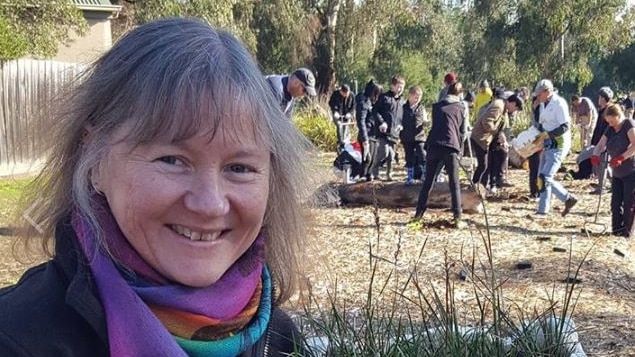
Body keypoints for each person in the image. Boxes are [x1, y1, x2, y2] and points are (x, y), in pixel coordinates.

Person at [0, 18, 308, 356]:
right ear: (95, 159)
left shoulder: (278, 339)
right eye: (172, 160)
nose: (210, 204)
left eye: (239, 168)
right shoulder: (17, 340)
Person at [414, 81, 467, 229]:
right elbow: (462, 132)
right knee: (454, 184)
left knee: (428, 182)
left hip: (434, 145)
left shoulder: (437, 107)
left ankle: (418, 215)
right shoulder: (461, 108)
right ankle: (458, 217)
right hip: (451, 146)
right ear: (460, 94)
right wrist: (460, 150)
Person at [532, 79, 578, 218]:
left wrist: (548, 134)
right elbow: (542, 124)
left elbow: (565, 126)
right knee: (541, 177)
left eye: (539, 94)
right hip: (547, 143)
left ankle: (565, 199)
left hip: (559, 143)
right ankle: (544, 208)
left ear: (547, 92)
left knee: (546, 177)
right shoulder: (541, 105)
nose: (537, 97)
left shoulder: (558, 103)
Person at [591, 104, 635, 238]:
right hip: (617, 173)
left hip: (631, 171)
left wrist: (622, 157)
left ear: (618, 116)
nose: (611, 124)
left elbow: (634, 145)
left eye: (612, 121)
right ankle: (616, 231)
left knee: (629, 203)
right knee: (615, 203)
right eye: (608, 122)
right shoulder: (610, 129)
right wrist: (595, 154)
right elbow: (600, 144)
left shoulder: (628, 124)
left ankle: (626, 232)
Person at [470, 93, 524, 194]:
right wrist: (497, 133)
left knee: (486, 164)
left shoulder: (504, 109)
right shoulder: (498, 105)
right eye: (515, 109)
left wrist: (501, 136)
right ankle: (475, 187)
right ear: (512, 103)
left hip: (487, 139)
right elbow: (487, 122)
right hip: (480, 138)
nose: (514, 111)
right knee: (483, 165)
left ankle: (480, 187)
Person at [371, 75, 405, 181]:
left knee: (391, 156)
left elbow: (401, 117)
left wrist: (401, 125)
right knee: (383, 152)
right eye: (398, 87)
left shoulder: (402, 102)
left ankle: (389, 175)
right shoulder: (384, 97)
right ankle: (373, 171)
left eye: (402, 87)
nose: (400, 89)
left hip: (394, 133)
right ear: (392, 86)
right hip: (383, 132)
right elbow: (375, 111)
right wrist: (382, 122)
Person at [399, 85, 429, 184]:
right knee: (409, 157)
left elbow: (425, 119)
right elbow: (399, 120)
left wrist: (426, 122)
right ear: (410, 96)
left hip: (419, 136)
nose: (417, 99)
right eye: (416, 97)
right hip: (407, 136)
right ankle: (410, 176)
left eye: (419, 97)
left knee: (422, 153)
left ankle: (425, 174)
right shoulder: (403, 107)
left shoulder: (421, 108)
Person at [356, 80, 383, 181]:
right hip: (367, 134)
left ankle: (368, 176)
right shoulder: (363, 103)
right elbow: (361, 121)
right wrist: (364, 139)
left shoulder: (373, 103)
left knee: (373, 160)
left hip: (374, 134)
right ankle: (362, 177)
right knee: (367, 159)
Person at [589, 86, 614, 194]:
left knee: (602, 165)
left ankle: (601, 187)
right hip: (600, 140)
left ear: (603, 98)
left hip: (605, 141)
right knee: (604, 164)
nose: (598, 99)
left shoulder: (609, 111)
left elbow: (607, 129)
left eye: (600, 97)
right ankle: (614, 183)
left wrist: (603, 142)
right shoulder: (602, 110)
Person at [329, 84, 356, 149]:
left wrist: (350, 113)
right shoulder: (335, 94)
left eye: (347, 93)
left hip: (347, 115)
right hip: (338, 115)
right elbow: (331, 103)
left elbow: (354, 105)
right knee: (339, 125)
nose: (346, 95)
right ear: (341, 91)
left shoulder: (351, 95)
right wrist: (335, 111)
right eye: (345, 94)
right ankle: (340, 143)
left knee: (346, 128)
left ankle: (344, 143)